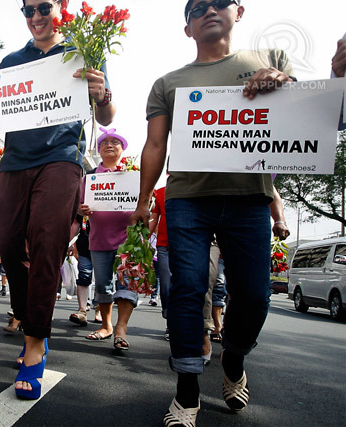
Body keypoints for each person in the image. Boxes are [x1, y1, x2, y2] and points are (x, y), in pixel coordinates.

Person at [129, 1, 296, 424]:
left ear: (238, 12)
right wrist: (145, 197)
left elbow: (306, 120)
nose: (209, 10)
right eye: (197, 8)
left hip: (249, 199)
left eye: (218, 2)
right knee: (186, 288)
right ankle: (187, 390)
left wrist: (287, 85)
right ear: (187, 29)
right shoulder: (169, 82)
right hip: (188, 200)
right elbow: (154, 145)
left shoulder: (271, 61)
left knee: (255, 296)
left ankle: (234, 359)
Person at [0, 0, 116, 400]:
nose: (36, 17)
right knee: (7, 241)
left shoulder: (84, 50)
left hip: (62, 159)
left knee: (46, 241)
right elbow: (0, 118)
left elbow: (106, 116)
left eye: (44, 7)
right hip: (15, 161)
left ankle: (35, 341)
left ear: (62, 7)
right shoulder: (11, 59)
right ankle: (27, 315)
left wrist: (101, 92)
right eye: (27, 10)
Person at [80, 129, 137, 351]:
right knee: (103, 285)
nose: (109, 145)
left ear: (123, 149)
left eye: (115, 142)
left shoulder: (134, 175)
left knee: (126, 284)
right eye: (104, 142)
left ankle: (121, 328)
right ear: (99, 149)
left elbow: (146, 204)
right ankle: (106, 326)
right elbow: (77, 206)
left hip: (129, 241)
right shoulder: (90, 179)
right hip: (99, 239)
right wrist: (82, 208)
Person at [149, 185, 171, 341]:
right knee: (166, 287)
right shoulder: (161, 192)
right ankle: (171, 323)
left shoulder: (196, 188)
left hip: (191, 246)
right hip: (165, 247)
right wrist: (141, 240)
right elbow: (153, 219)